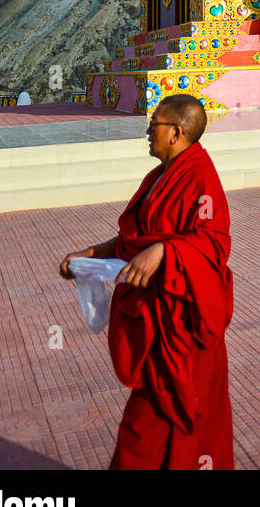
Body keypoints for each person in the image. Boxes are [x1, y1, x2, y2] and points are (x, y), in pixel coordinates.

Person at [59, 94, 233, 470]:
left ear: (176, 131)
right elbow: (134, 241)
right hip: (157, 323)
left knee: (150, 430)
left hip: (183, 329)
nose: (147, 130)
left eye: (153, 123)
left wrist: (167, 253)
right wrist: (92, 254)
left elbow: (214, 243)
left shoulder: (199, 176)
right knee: (157, 430)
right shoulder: (159, 177)